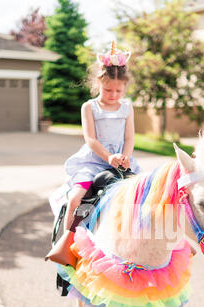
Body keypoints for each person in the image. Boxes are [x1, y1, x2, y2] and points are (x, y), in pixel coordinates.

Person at [63, 41, 141, 230]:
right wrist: (108, 157)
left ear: (124, 88)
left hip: (121, 162)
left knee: (138, 200)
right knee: (75, 198)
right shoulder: (90, 107)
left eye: (118, 90)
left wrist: (125, 157)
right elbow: (91, 139)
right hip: (93, 161)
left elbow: (129, 138)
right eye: (108, 90)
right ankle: (66, 241)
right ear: (98, 83)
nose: (113, 94)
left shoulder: (126, 107)